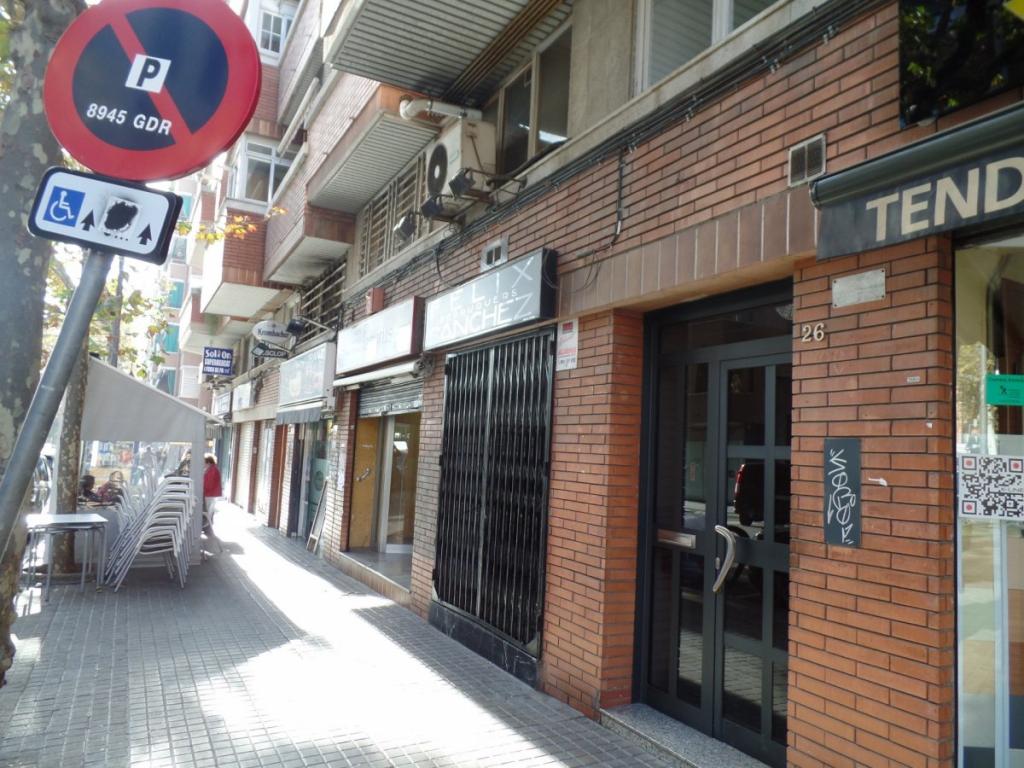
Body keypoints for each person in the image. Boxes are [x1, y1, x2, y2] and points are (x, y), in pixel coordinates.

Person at [202, 455, 223, 553]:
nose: (203, 464)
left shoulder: (212, 470)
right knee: (209, 511)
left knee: (208, 511)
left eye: (204, 462)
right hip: (210, 494)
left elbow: (209, 484)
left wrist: (202, 488)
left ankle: (208, 527)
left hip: (210, 494)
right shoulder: (212, 469)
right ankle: (208, 527)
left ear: (208, 462)